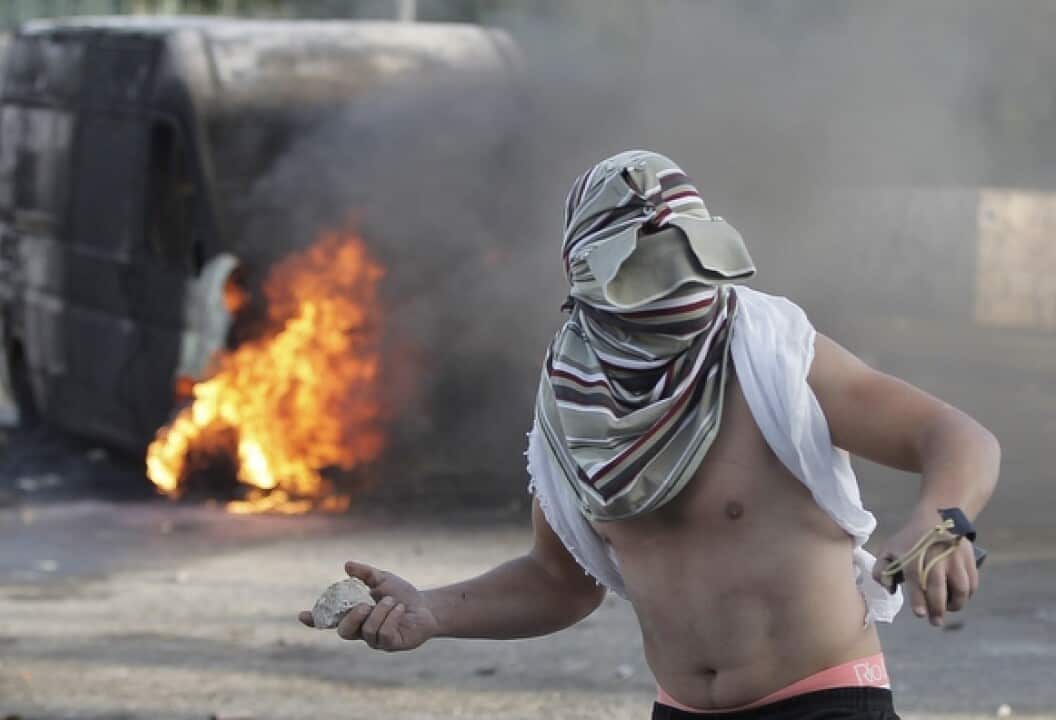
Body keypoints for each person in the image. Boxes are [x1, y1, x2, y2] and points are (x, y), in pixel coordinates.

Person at [297, 150, 999, 719]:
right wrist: (431, 611)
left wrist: (940, 521)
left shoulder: (769, 351)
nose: (677, 296)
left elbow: (955, 435)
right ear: (586, 279)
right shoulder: (575, 404)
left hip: (826, 702)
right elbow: (558, 581)